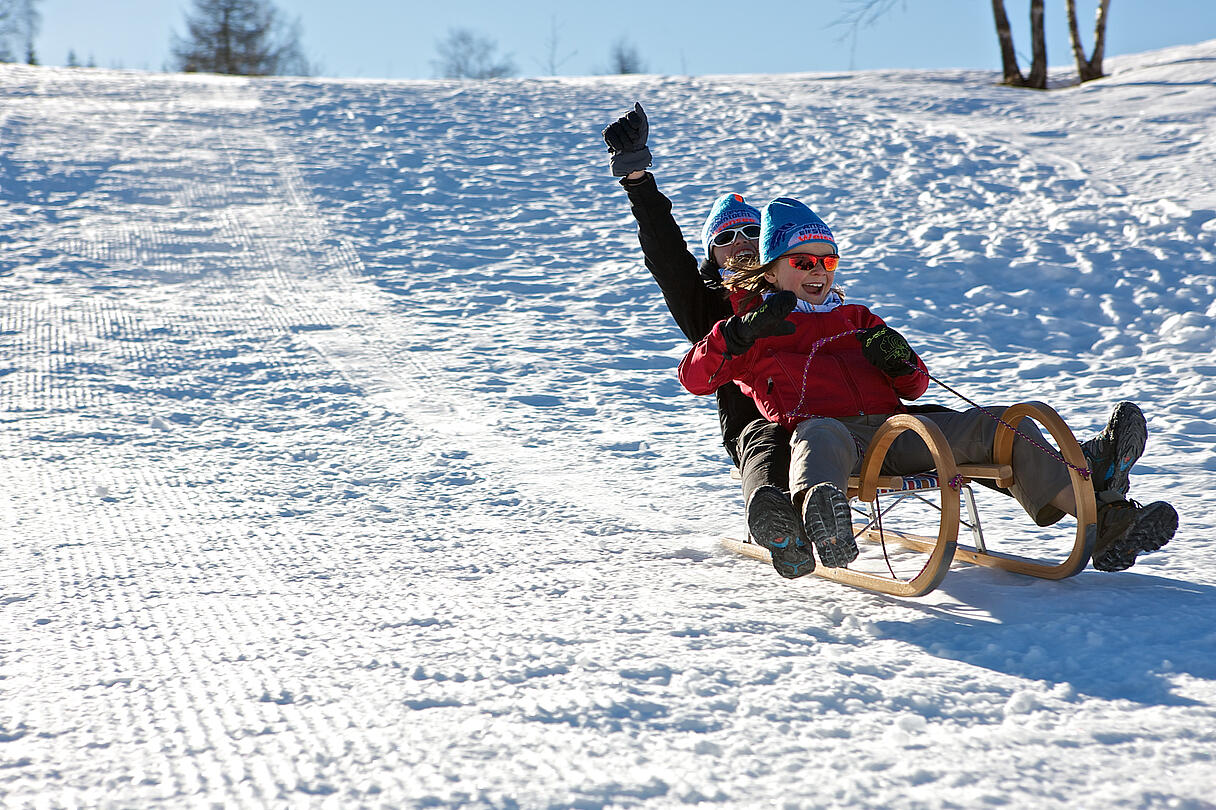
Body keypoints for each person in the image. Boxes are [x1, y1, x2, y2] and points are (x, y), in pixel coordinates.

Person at [678, 196, 1177, 579]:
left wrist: (898, 359)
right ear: (773, 268)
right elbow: (695, 377)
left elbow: (915, 386)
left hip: (898, 432)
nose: (816, 272)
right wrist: (737, 334)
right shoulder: (756, 324)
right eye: (802, 261)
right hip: (833, 438)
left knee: (1001, 424)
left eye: (826, 262)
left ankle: (1108, 519)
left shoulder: (857, 317)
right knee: (818, 434)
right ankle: (822, 524)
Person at [603, 102, 795, 515]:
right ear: (714, 252)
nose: (741, 241)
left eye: (750, 232)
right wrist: (637, 179)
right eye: (727, 236)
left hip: (828, 409)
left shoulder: (796, 283)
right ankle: (772, 517)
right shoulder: (708, 304)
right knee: (770, 440)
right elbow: (667, 254)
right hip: (757, 422)